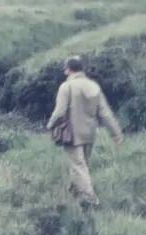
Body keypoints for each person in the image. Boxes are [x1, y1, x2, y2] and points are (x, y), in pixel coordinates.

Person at [46, 55, 124, 208]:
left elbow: (59, 112)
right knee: (82, 165)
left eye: (65, 68)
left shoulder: (66, 87)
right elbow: (105, 113)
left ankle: (91, 200)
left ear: (68, 70)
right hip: (90, 133)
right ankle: (73, 193)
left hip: (72, 134)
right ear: (81, 68)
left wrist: (50, 125)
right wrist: (116, 134)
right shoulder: (93, 86)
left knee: (78, 166)